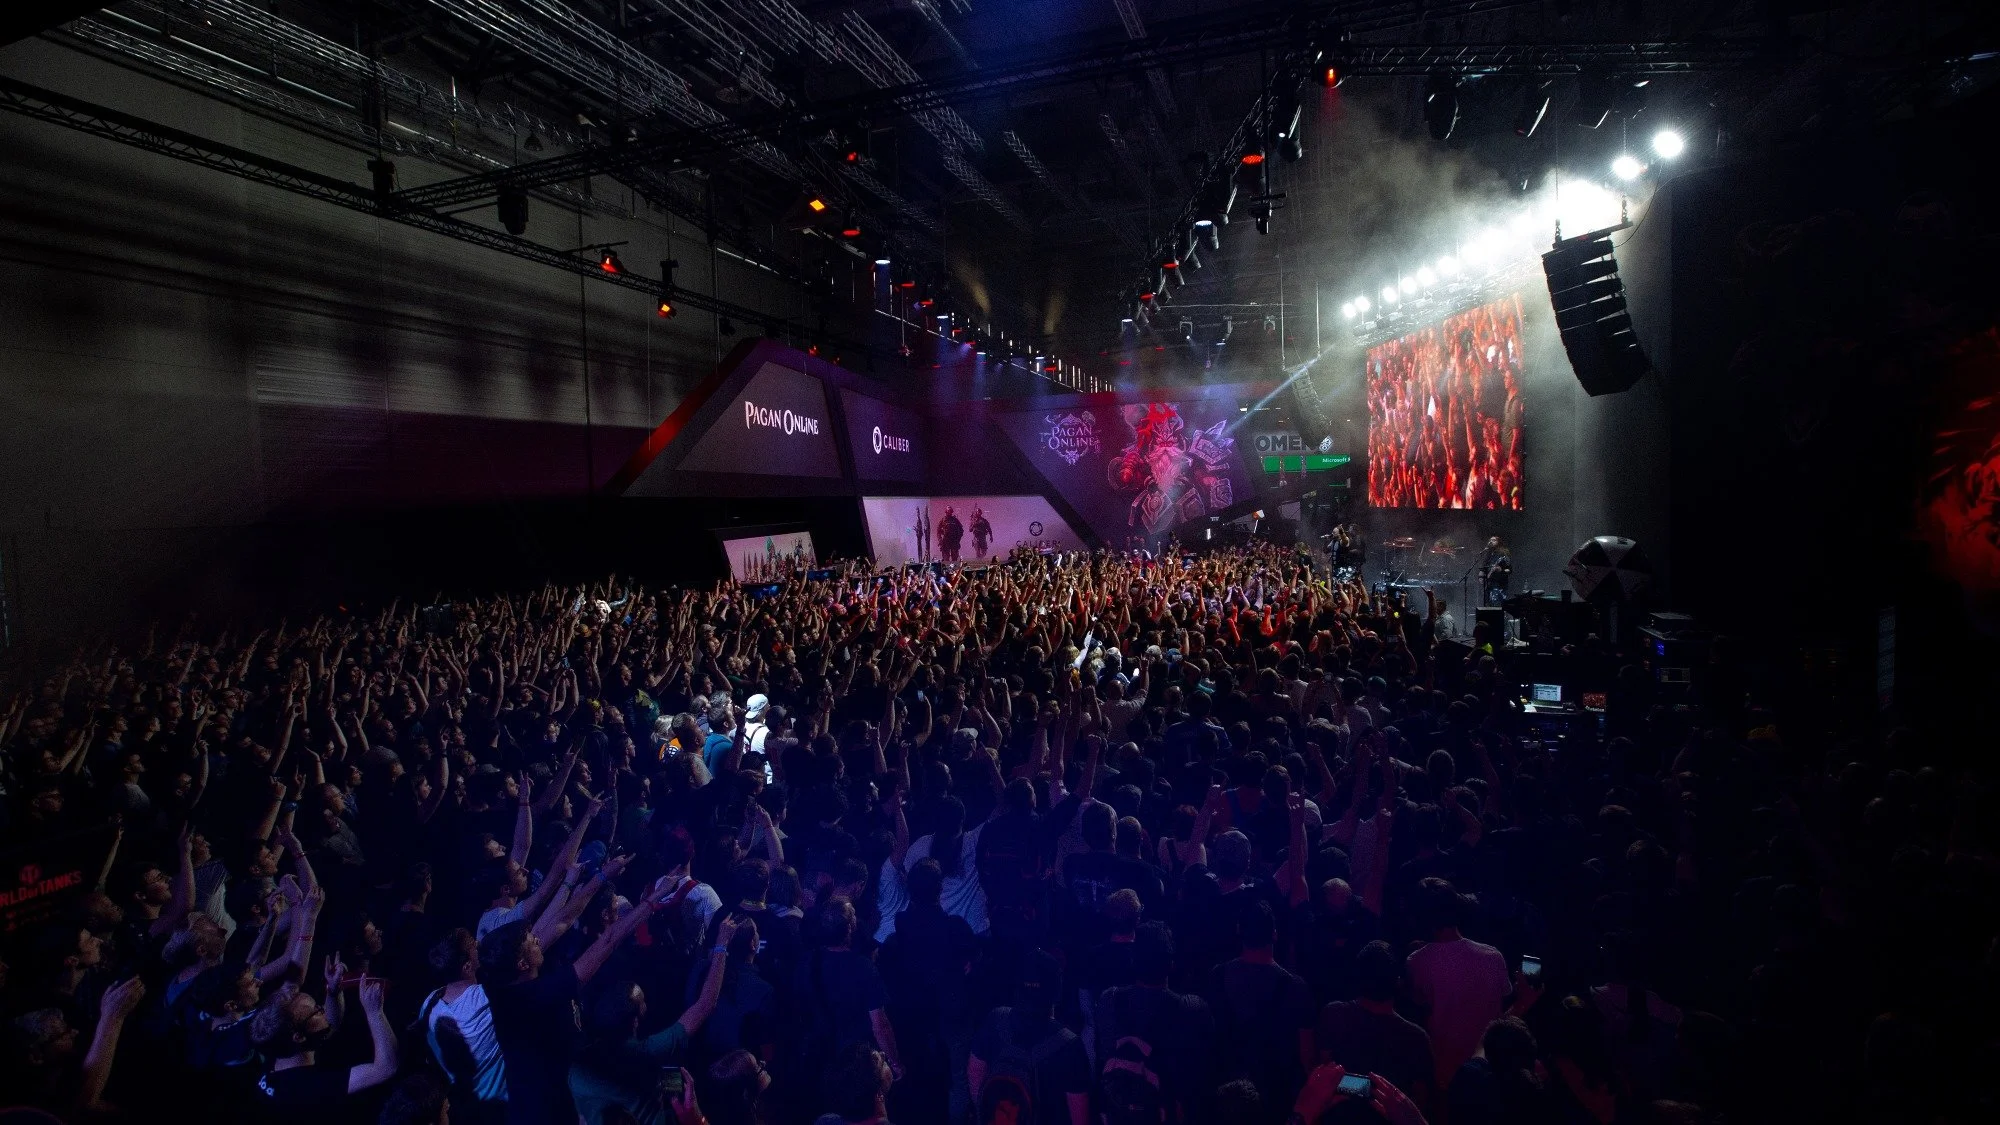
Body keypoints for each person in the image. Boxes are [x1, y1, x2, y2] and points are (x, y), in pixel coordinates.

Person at [567, 917, 742, 1125]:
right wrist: (721, 945)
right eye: (642, 1003)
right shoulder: (651, 1052)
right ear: (635, 1020)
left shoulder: (576, 1068)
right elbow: (705, 1004)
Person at [1404, 879, 1510, 1091]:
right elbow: (1501, 1012)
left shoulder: (1417, 962)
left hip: (1445, 1074)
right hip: (1492, 1071)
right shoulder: (1493, 956)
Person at [967, 950, 1092, 1125]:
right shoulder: (1069, 1045)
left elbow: (974, 1071)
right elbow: (1080, 1117)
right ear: (1057, 991)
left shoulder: (995, 1019)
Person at [250, 976, 398, 1122]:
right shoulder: (311, 1087)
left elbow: (329, 1024)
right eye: (316, 1011)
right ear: (299, 1037)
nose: (323, 1009)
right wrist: (374, 1012)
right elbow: (385, 1068)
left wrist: (333, 992)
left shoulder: (277, 1052)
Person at [1316, 941, 1435, 1112]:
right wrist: (1380, 1092)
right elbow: (1420, 1102)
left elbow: (1324, 1076)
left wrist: (1361, 1088)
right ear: (1398, 982)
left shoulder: (1334, 1015)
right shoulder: (1416, 1038)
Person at [1478, 538, 1511, 608]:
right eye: (1490, 540)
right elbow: (1484, 565)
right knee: (1488, 604)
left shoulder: (1503, 554)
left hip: (1499, 584)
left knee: (1497, 605)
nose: (1491, 541)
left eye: (1494, 540)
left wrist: (1501, 570)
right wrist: (1481, 574)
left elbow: (1509, 570)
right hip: (1489, 583)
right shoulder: (1489, 553)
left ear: (1499, 542)